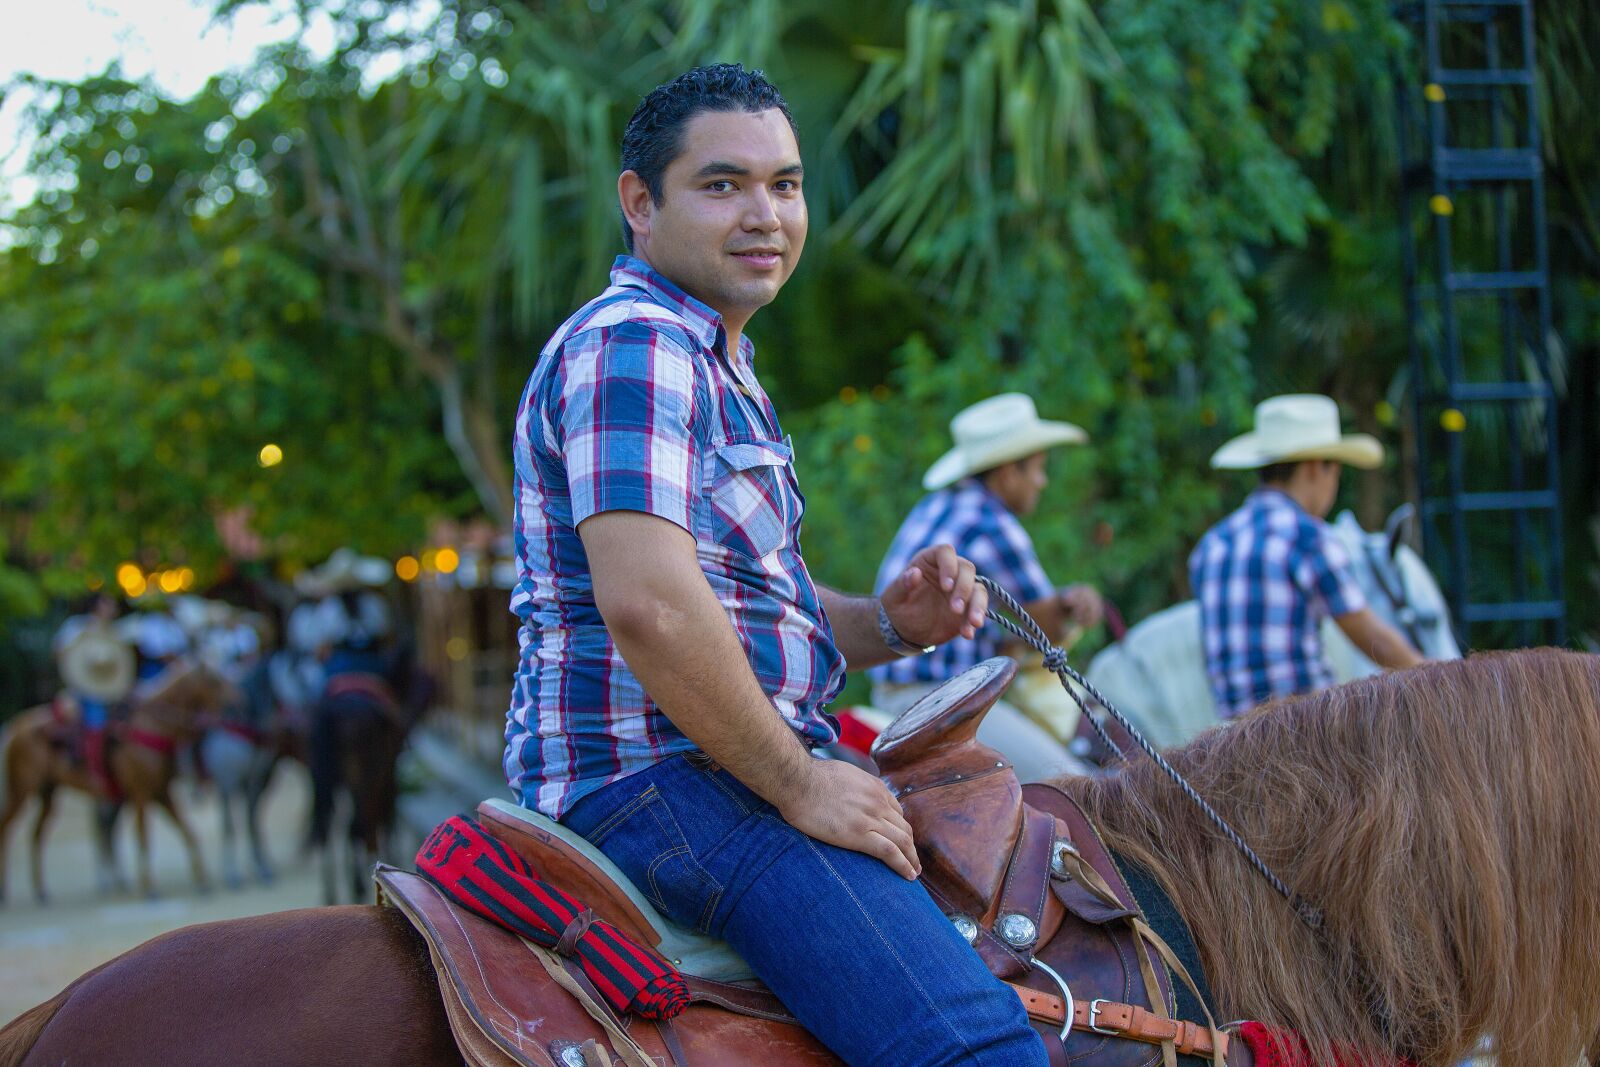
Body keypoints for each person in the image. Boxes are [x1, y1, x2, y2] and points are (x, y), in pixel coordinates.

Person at [503, 65, 1046, 1066]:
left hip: (709, 762)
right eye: (722, 185)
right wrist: (802, 782)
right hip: (664, 779)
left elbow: (747, 602)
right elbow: (652, 605)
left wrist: (890, 622)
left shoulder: (717, 358)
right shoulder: (638, 344)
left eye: (785, 185)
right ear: (639, 202)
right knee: (981, 1051)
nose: (765, 215)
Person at [869, 393, 1103, 781]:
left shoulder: (937, 505)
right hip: (943, 702)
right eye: (1038, 470)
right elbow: (1044, 628)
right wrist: (1072, 605)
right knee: (1078, 788)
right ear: (1009, 472)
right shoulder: (992, 522)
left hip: (895, 692)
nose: (1042, 483)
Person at [1190, 393, 1424, 718]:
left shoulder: (1213, 545)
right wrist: (1443, 681)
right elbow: (1377, 642)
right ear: (1316, 468)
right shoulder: (1308, 537)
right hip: (1306, 737)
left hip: (1232, 742)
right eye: (1335, 472)